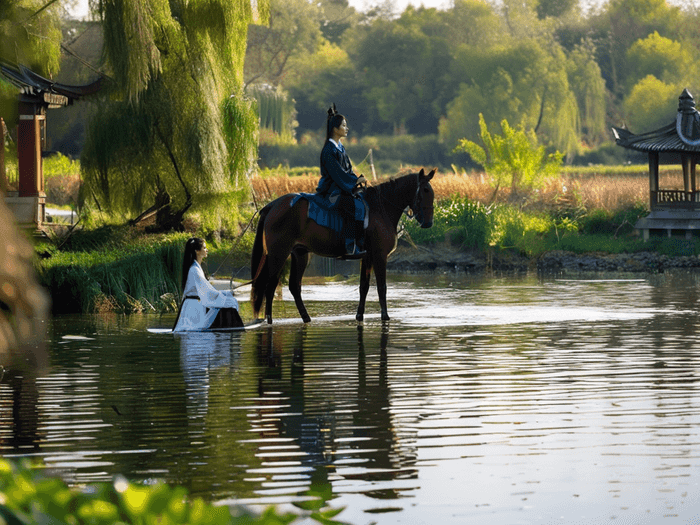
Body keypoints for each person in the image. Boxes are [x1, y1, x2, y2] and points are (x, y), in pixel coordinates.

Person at [317, 104, 367, 258]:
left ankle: (362, 241)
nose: (347, 128)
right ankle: (349, 245)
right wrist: (352, 183)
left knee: (364, 200)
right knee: (353, 206)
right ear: (335, 128)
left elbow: (348, 170)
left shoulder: (341, 148)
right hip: (332, 190)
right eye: (344, 125)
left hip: (343, 187)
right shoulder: (328, 150)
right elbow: (337, 174)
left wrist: (357, 180)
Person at [173, 237, 243, 331]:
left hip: (195, 305)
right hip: (193, 309)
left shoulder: (196, 268)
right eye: (204, 248)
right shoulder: (194, 270)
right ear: (197, 251)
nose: (207, 250)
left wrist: (227, 293)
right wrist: (228, 293)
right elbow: (209, 292)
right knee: (230, 302)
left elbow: (207, 290)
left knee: (227, 303)